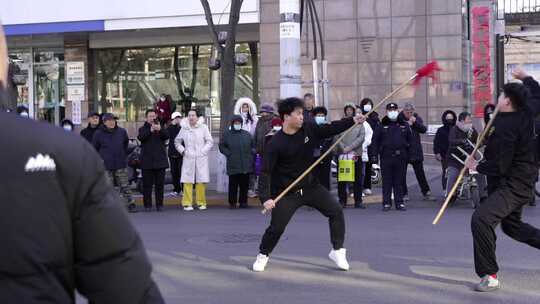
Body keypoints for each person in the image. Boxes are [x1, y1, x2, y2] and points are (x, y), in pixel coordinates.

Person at [0, 95, 164, 302]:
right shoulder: (63, 149)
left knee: (123, 187)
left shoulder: (69, 149)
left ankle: (132, 203)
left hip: (118, 164)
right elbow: (121, 281)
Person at [252, 97, 366, 272]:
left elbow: (330, 128)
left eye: (302, 113)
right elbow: (265, 172)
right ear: (286, 116)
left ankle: (337, 250)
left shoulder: (309, 129)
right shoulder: (275, 143)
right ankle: (263, 254)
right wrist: (265, 198)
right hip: (287, 191)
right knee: (277, 228)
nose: (302, 117)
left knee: (336, 210)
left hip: (310, 186)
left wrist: (352, 120)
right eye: (298, 114)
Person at [464, 77, 540, 292]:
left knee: (481, 219)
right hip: (515, 182)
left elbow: (501, 165)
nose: (497, 98)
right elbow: (537, 95)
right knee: (512, 227)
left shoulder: (509, 125)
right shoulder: (522, 114)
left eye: (501, 95)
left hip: (514, 184)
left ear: (507, 101)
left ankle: (489, 275)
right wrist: (526, 77)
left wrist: (477, 166)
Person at [371, 102, 412, 211]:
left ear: (398, 111)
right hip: (386, 156)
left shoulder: (404, 124)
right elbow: (375, 141)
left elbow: (410, 141)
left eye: (394, 110)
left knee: (399, 181)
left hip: (400, 156)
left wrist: (409, 155)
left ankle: (399, 202)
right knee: (387, 181)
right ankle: (386, 203)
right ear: (387, 111)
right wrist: (374, 156)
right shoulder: (381, 125)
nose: (392, 112)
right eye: (390, 110)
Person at [92, 113, 136, 213]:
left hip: (120, 163)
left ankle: (130, 204)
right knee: (108, 187)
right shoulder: (98, 133)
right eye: (109, 120)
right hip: (106, 165)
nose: (112, 122)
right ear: (104, 122)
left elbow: (125, 144)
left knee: (125, 185)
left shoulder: (121, 132)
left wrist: (122, 154)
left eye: (113, 120)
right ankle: (109, 207)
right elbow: (94, 148)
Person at [175, 109, 213, 211]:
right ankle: (187, 203)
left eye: (193, 115)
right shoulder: (184, 128)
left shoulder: (203, 127)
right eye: (189, 115)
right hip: (188, 157)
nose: (191, 117)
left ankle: (201, 202)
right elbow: (177, 142)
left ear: (197, 117)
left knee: (200, 181)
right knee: (187, 181)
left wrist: (203, 151)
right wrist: (183, 151)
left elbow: (209, 141)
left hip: (201, 158)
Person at [446, 112, 487, 206]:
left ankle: (483, 195)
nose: (470, 121)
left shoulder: (471, 130)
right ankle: (450, 196)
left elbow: (477, 141)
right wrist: (462, 141)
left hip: (469, 158)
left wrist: (482, 142)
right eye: (468, 119)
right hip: (455, 159)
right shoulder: (454, 129)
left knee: (479, 172)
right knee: (453, 175)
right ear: (462, 120)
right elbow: (451, 140)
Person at [399, 102, 435, 201]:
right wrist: (407, 125)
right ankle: (404, 193)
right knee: (402, 173)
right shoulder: (399, 119)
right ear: (403, 111)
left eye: (411, 112)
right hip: (403, 150)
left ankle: (426, 192)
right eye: (407, 112)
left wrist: (415, 123)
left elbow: (423, 129)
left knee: (420, 173)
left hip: (415, 150)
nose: (409, 114)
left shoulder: (416, 118)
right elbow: (397, 133)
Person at [219, 115, 255, 209]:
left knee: (244, 185)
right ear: (232, 123)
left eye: (239, 123)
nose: (237, 124)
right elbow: (221, 146)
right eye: (236, 123)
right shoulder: (227, 134)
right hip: (233, 163)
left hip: (245, 164)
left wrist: (252, 153)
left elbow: (253, 145)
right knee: (233, 185)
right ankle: (232, 203)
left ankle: (243, 202)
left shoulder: (247, 134)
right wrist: (228, 153)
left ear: (241, 124)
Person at [138, 109, 169, 212]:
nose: (152, 118)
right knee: (147, 185)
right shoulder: (143, 128)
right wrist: (150, 131)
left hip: (160, 161)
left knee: (160, 185)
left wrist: (160, 130)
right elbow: (141, 138)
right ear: (146, 118)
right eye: (150, 116)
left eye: (153, 116)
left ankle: (159, 205)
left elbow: (167, 136)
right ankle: (147, 205)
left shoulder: (161, 127)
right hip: (147, 162)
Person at [336, 103, 366, 208]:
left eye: (351, 110)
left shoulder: (359, 123)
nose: (349, 111)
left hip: (356, 154)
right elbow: (337, 136)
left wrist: (350, 147)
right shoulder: (341, 122)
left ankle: (358, 201)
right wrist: (344, 148)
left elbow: (361, 137)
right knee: (342, 179)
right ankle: (342, 201)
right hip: (343, 154)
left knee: (357, 178)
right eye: (347, 110)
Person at [234, 97, 258, 197]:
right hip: (240, 147)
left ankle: (250, 189)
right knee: (241, 169)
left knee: (251, 169)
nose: (245, 109)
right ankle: (242, 188)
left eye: (246, 107)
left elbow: (255, 132)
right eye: (243, 107)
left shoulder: (254, 119)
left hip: (250, 146)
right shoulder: (237, 118)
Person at [258, 117, 283, 204]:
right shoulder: (269, 136)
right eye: (275, 125)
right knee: (271, 180)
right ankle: (272, 195)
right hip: (271, 161)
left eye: (279, 125)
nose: (277, 126)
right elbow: (265, 148)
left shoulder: (283, 135)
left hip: (281, 161)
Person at [359, 98, 380, 195]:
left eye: (369, 104)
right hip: (361, 145)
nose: (367, 106)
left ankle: (367, 186)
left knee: (368, 166)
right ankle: (359, 187)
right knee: (360, 167)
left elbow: (378, 131)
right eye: (365, 104)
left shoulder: (375, 117)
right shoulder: (360, 115)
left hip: (372, 145)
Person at [433, 110, 457, 196]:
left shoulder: (457, 129)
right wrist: (437, 153)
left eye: (451, 118)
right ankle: (446, 190)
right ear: (444, 119)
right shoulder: (440, 130)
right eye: (448, 118)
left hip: (457, 155)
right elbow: (436, 142)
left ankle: (456, 190)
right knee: (446, 173)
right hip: (445, 155)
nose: (449, 120)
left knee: (457, 172)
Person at [312, 106, 334, 191]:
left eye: (322, 115)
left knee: (325, 176)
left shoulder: (328, 126)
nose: (320, 117)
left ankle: (326, 193)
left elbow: (331, 139)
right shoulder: (311, 127)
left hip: (326, 155)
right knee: (315, 176)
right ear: (314, 117)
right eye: (318, 115)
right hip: (314, 156)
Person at [167, 111, 184, 196]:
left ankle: (184, 190)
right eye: (176, 118)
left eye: (179, 118)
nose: (178, 119)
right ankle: (176, 189)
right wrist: (173, 124)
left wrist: (180, 125)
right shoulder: (170, 127)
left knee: (182, 172)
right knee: (174, 172)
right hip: (172, 153)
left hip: (182, 153)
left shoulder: (183, 127)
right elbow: (169, 135)